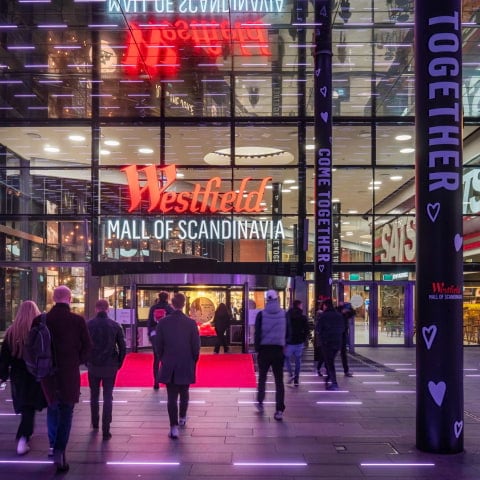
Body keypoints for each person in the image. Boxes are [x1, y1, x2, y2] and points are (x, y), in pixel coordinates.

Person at [39, 285, 92, 473]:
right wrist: (77, 361)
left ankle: (53, 446)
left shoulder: (42, 320)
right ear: (69, 299)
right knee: (67, 410)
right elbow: (87, 347)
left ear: (54, 298)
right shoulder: (77, 321)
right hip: (68, 373)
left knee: (52, 408)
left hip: (47, 373)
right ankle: (60, 449)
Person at [0, 301, 47, 456]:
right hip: (34, 375)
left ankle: (25, 434)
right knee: (30, 408)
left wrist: (3, 376)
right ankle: (23, 438)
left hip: (18, 376)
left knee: (25, 407)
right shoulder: (37, 331)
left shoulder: (11, 333)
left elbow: (4, 359)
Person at [154, 293, 200, 439]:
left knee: (171, 396)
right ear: (184, 304)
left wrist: (163, 358)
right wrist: (193, 360)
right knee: (185, 392)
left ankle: (173, 427)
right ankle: (182, 417)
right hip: (186, 362)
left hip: (169, 362)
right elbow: (196, 346)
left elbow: (158, 345)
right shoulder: (191, 323)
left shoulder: (163, 322)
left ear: (172, 304)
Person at [87, 299, 126, 440]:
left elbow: (83, 345)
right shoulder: (115, 325)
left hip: (93, 365)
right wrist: (119, 363)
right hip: (110, 365)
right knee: (108, 396)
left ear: (96, 309)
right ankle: (106, 428)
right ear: (108, 309)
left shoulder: (88, 325)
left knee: (94, 395)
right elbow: (122, 347)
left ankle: (95, 422)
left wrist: (87, 361)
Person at [254, 289, 287, 421]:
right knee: (279, 381)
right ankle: (279, 409)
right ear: (277, 299)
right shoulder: (284, 314)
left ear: (267, 299)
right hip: (278, 351)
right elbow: (287, 332)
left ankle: (260, 401)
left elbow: (257, 334)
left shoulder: (261, 315)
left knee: (262, 378)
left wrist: (257, 349)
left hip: (264, 350)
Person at [315, 298, 345, 391]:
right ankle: (329, 379)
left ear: (325, 306)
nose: (322, 307)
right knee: (330, 362)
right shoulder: (339, 315)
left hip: (327, 342)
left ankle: (334, 383)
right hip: (337, 342)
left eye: (323, 305)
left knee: (329, 363)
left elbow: (318, 329)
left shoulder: (324, 316)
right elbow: (343, 328)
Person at [147, 291, 174, 390]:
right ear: (167, 298)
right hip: (166, 336)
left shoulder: (153, 308)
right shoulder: (169, 309)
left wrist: (150, 335)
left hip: (156, 335)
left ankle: (156, 382)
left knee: (156, 359)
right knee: (166, 359)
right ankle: (166, 380)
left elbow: (149, 322)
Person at [284, 299, 310, 386]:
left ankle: (291, 374)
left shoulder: (287, 315)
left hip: (289, 342)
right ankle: (296, 379)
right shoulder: (303, 317)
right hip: (299, 342)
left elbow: (284, 328)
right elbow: (307, 330)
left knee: (286, 358)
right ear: (299, 306)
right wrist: (303, 339)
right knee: (298, 360)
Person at [337, 301, 355, 377]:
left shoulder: (347, 314)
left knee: (343, 353)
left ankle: (346, 371)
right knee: (331, 353)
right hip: (336, 335)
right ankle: (325, 369)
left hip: (343, 334)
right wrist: (341, 308)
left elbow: (353, 313)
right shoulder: (337, 313)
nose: (346, 310)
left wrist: (350, 308)